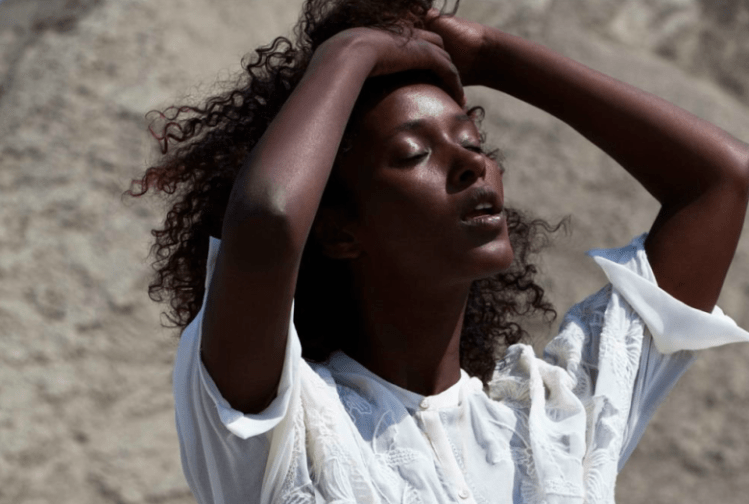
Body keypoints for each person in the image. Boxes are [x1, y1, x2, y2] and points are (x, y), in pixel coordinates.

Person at [129, 0, 749, 502]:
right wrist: (350, 50)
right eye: (413, 154)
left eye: (473, 142)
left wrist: (493, 57)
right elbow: (267, 218)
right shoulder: (281, 425)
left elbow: (720, 182)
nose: (472, 164)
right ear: (337, 230)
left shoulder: (557, 422)